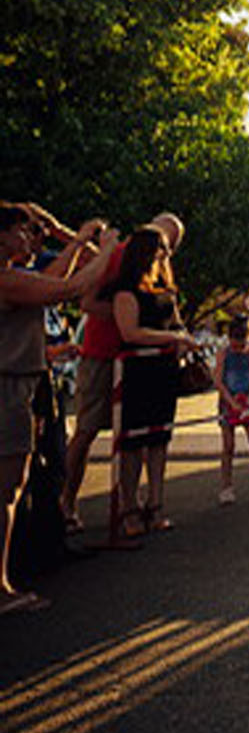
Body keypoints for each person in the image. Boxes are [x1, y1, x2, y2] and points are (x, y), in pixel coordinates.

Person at [2, 204, 119, 615]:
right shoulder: (6, 280)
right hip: (8, 387)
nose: (29, 236)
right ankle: (1, 588)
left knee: (14, 487)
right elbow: (67, 288)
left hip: (20, 385)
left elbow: (54, 279)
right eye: (22, 230)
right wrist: (105, 247)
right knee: (6, 491)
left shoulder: (16, 276)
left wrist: (75, 238)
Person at [60, 212, 182, 533]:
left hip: (141, 364)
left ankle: (136, 502)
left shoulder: (159, 272)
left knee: (139, 434)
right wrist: (128, 317)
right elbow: (87, 302)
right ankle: (65, 502)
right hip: (103, 355)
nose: (167, 252)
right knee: (87, 430)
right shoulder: (115, 257)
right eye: (164, 244)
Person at [108, 224, 199, 542]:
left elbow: (176, 323)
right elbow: (129, 332)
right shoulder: (126, 290)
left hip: (164, 371)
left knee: (160, 440)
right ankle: (129, 509)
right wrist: (171, 338)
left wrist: (183, 338)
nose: (165, 254)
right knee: (133, 444)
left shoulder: (165, 289)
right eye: (160, 248)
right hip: (137, 373)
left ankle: (156, 504)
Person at [215, 317, 249, 505]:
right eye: (235, 344)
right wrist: (231, 402)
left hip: (246, 401)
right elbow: (218, 381)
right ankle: (226, 486)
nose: (239, 348)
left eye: (242, 344)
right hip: (227, 402)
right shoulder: (223, 353)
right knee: (228, 446)